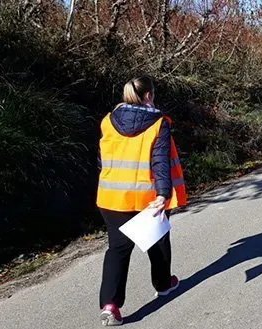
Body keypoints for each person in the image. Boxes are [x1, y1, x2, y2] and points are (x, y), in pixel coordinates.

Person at [96, 76, 187, 326]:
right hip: (147, 197)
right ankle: (163, 284)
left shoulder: (107, 121)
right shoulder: (158, 123)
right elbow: (160, 161)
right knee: (157, 241)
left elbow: (102, 159)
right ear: (148, 96)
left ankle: (110, 305)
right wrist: (163, 194)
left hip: (112, 196)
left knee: (118, 248)